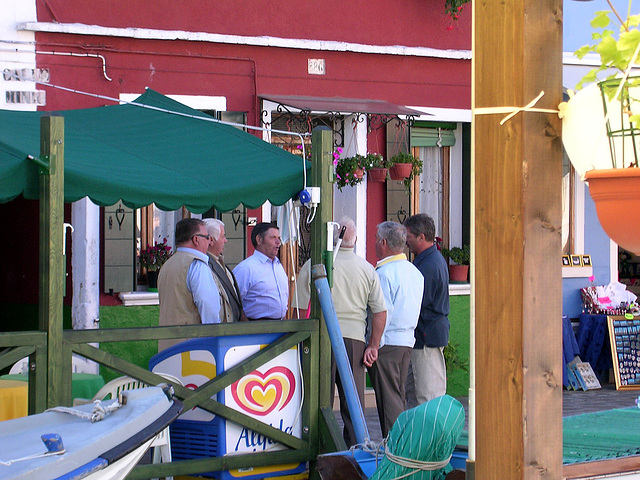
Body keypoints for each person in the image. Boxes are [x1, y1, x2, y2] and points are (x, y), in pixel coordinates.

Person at [330, 217, 387, 447]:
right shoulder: (366, 269)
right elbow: (380, 311)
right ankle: (356, 450)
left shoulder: (321, 264)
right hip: (354, 340)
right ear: (355, 239)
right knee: (353, 402)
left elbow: (301, 308)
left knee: (319, 401)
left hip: (324, 337)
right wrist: (373, 345)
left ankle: (323, 449)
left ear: (335, 236)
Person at [368, 221, 424, 437]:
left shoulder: (383, 273)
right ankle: (401, 445)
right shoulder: (414, 272)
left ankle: (396, 448)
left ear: (383, 242)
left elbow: (382, 312)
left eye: (375, 240)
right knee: (397, 397)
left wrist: (373, 344)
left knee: (389, 400)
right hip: (406, 340)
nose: (374, 244)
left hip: (387, 342)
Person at [404, 213, 450, 407]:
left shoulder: (428, 265)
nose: (406, 241)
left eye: (409, 237)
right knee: (416, 393)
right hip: (425, 337)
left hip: (426, 338)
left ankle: (431, 437)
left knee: (427, 396)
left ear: (421, 237)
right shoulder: (430, 260)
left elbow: (418, 302)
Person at [158, 217, 221, 350]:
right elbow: (209, 307)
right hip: (192, 347)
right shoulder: (197, 265)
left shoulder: (167, 265)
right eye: (207, 237)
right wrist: (214, 339)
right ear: (196, 239)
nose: (209, 242)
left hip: (167, 344)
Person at [233, 222, 289, 321]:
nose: (278, 242)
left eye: (279, 238)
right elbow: (233, 302)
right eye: (273, 238)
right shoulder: (246, 268)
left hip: (280, 327)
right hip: (256, 328)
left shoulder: (279, 266)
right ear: (259, 240)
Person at [203, 218, 247, 323]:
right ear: (211, 240)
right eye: (223, 236)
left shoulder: (220, 263)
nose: (225, 240)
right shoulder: (204, 266)